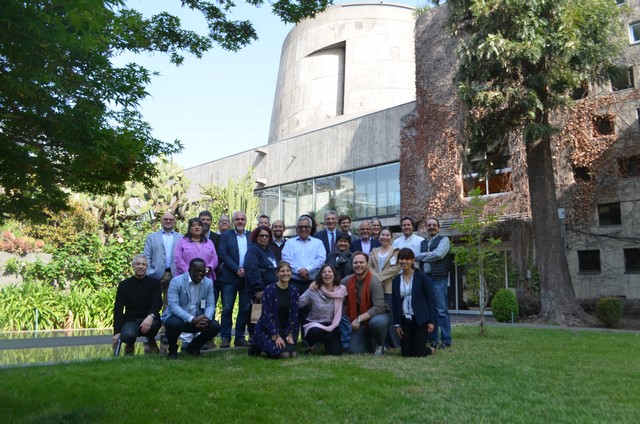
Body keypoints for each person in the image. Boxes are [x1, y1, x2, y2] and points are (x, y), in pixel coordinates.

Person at [162, 258, 221, 359]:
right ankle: (172, 349)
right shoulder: (176, 281)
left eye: (203, 271)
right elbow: (173, 306)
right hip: (179, 318)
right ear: (189, 270)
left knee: (215, 326)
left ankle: (193, 347)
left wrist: (206, 318)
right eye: (196, 271)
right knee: (173, 323)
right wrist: (191, 319)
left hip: (198, 319)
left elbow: (210, 304)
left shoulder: (208, 283)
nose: (200, 274)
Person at [281, 215, 326, 341]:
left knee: (309, 312)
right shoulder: (289, 243)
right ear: (296, 229)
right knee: (292, 311)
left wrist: (308, 269)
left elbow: (321, 259)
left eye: (306, 227)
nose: (303, 229)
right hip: (293, 282)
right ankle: (291, 340)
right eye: (300, 227)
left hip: (311, 284)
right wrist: (299, 270)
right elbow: (286, 258)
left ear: (311, 228)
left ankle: (308, 342)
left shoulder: (318, 243)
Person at [113, 255, 162, 355]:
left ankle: (151, 339)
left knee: (155, 324)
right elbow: (118, 309)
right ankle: (130, 343)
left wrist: (150, 316)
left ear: (146, 267)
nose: (140, 266)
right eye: (138, 264)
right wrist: (117, 332)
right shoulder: (124, 285)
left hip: (149, 319)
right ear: (133, 266)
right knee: (127, 335)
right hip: (131, 320)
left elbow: (158, 303)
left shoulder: (155, 283)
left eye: (143, 264)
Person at [342, 252, 390, 355]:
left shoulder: (374, 282)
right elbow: (331, 284)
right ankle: (370, 342)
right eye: (355, 262)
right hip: (360, 320)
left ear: (367, 265)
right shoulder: (347, 280)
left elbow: (379, 307)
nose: (358, 264)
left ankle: (379, 345)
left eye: (361, 262)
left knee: (377, 323)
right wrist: (315, 283)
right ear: (352, 265)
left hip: (378, 315)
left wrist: (359, 319)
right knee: (355, 351)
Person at [392, 248, 436, 357]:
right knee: (406, 354)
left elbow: (430, 299)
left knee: (418, 353)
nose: (404, 261)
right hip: (404, 319)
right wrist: (397, 324)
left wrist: (431, 321)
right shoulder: (396, 280)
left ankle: (432, 348)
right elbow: (395, 302)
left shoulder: (422, 277)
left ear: (413, 260)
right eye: (401, 259)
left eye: (407, 259)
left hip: (420, 319)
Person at [250, 261, 300, 358]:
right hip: (268, 329)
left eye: (288, 271)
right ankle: (257, 344)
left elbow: (294, 315)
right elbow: (266, 316)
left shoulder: (294, 291)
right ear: (277, 273)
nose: (285, 273)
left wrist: (290, 334)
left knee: (293, 354)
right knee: (284, 355)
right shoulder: (269, 290)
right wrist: (275, 336)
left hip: (284, 329)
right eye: (282, 271)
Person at [416, 217, 452, 349]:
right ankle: (433, 339)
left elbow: (438, 255)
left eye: (434, 225)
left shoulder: (444, 240)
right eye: (429, 225)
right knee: (430, 310)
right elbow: (428, 255)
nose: (431, 227)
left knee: (441, 311)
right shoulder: (423, 242)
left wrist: (422, 256)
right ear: (426, 227)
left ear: (438, 227)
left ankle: (446, 340)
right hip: (425, 278)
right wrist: (427, 254)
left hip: (438, 279)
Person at [218, 211, 252, 348]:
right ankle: (225, 337)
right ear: (233, 221)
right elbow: (223, 254)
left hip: (246, 278)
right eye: (237, 219)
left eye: (242, 219)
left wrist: (246, 269)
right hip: (229, 277)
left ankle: (239, 337)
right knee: (227, 309)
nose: (239, 221)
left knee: (244, 308)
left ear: (246, 221)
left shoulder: (251, 236)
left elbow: (254, 254)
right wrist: (237, 269)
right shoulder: (226, 235)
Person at [299, 264, 347, 355]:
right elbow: (298, 303)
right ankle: (311, 346)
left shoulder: (341, 290)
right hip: (315, 325)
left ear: (334, 275)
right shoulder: (313, 290)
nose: (327, 274)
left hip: (332, 326)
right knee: (315, 332)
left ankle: (325, 345)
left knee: (335, 353)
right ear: (320, 276)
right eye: (324, 272)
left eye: (329, 272)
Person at [244, 225, 278, 340]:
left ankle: (265, 336)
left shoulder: (268, 250)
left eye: (267, 236)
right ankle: (254, 338)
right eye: (261, 236)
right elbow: (251, 269)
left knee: (268, 315)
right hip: (259, 291)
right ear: (256, 237)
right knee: (256, 315)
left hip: (270, 290)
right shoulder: (253, 250)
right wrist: (260, 288)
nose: (264, 238)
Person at [369, 228, 401, 349]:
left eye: (387, 235)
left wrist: (379, 278)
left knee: (391, 315)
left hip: (390, 288)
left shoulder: (396, 251)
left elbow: (396, 268)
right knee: (377, 315)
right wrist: (377, 280)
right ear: (379, 237)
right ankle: (381, 342)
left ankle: (394, 343)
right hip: (376, 288)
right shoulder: (374, 251)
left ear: (391, 237)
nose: (385, 237)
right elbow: (368, 266)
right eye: (383, 235)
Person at [143, 212, 181, 310]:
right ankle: (153, 323)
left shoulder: (181, 237)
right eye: (165, 219)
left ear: (174, 222)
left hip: (173, 274)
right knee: (153, 301)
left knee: (169, 303)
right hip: (155, 274)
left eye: (170, 219)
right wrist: (149, 272)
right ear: (161, 221)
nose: (168, 221)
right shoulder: (152, 237)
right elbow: (147, 256)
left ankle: (166, 324)